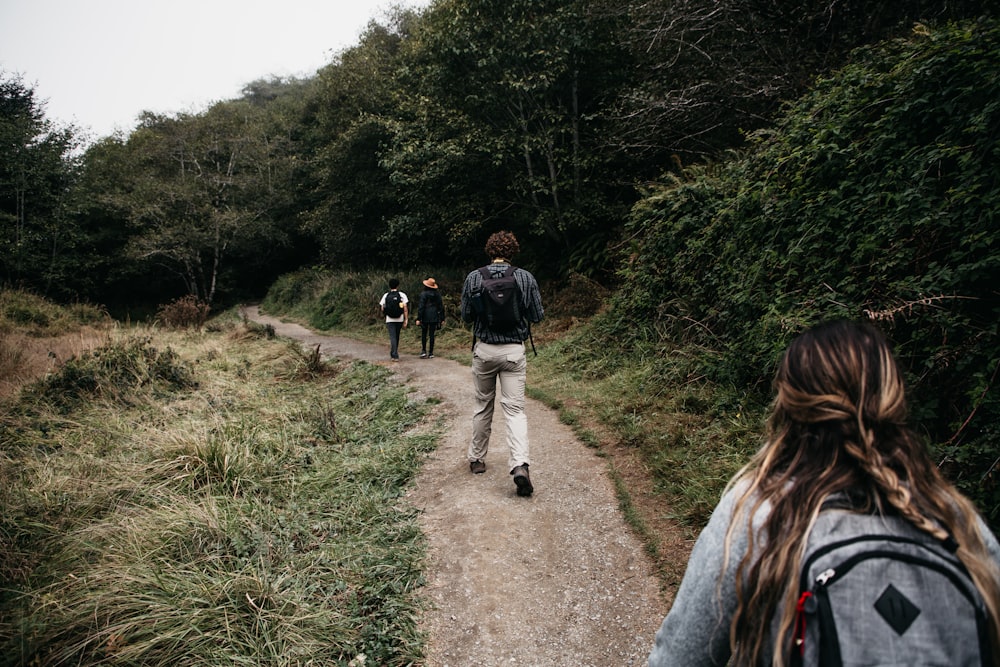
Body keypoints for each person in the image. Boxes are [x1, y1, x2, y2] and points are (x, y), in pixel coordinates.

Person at [648, 320, 1000, 667]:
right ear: (894, 396)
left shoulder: (759, 509)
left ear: (788, 402)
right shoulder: (955, 518)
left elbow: (681, 655)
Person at [460, 230, 544, 496]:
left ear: (490, 250)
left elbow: (465, 316)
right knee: (515, 411)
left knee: (483, 404)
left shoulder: (474, 277)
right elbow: (537, 315)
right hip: (513, 352)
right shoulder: (525, 277)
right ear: (513, 251)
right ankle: (520, 464)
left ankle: (476, 459)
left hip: (484, 350)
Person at [379, 278, 408, 361]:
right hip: (400, 318)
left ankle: (394, 355)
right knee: (397, 336)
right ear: (398, 285)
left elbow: (382, 308)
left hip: (389, 319)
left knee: (392, 337)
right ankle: (394, 353)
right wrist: (406, 319)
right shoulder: (402, 295)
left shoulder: (386, 295)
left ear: (389, 286)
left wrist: (387, 314)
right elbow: (405, 308)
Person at [415, 277, 445, 359]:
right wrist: (442, 318)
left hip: (425, 315)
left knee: (424, 334)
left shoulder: (423, 294)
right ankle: (431, 352)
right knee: (432, 334)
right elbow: (441, 307)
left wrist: (418, 318)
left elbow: (421, 307)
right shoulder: (437, 295)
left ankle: (423, 351)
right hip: (434, 315)